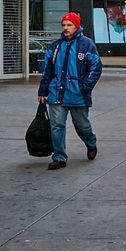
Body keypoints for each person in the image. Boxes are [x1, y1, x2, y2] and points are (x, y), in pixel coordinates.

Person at [38, 12, 101, 169]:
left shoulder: (87, 44)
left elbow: (95, 67)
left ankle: (91, 142)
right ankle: (59, 157)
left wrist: (85, 87)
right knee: (57, 125)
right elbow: (47, 70)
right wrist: (43, 91)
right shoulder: (55, 46)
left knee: (81, 125)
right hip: (56, 92)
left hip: (77, 93)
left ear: (76, 26)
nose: (66, 28)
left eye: (69, 25)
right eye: (64, 25)